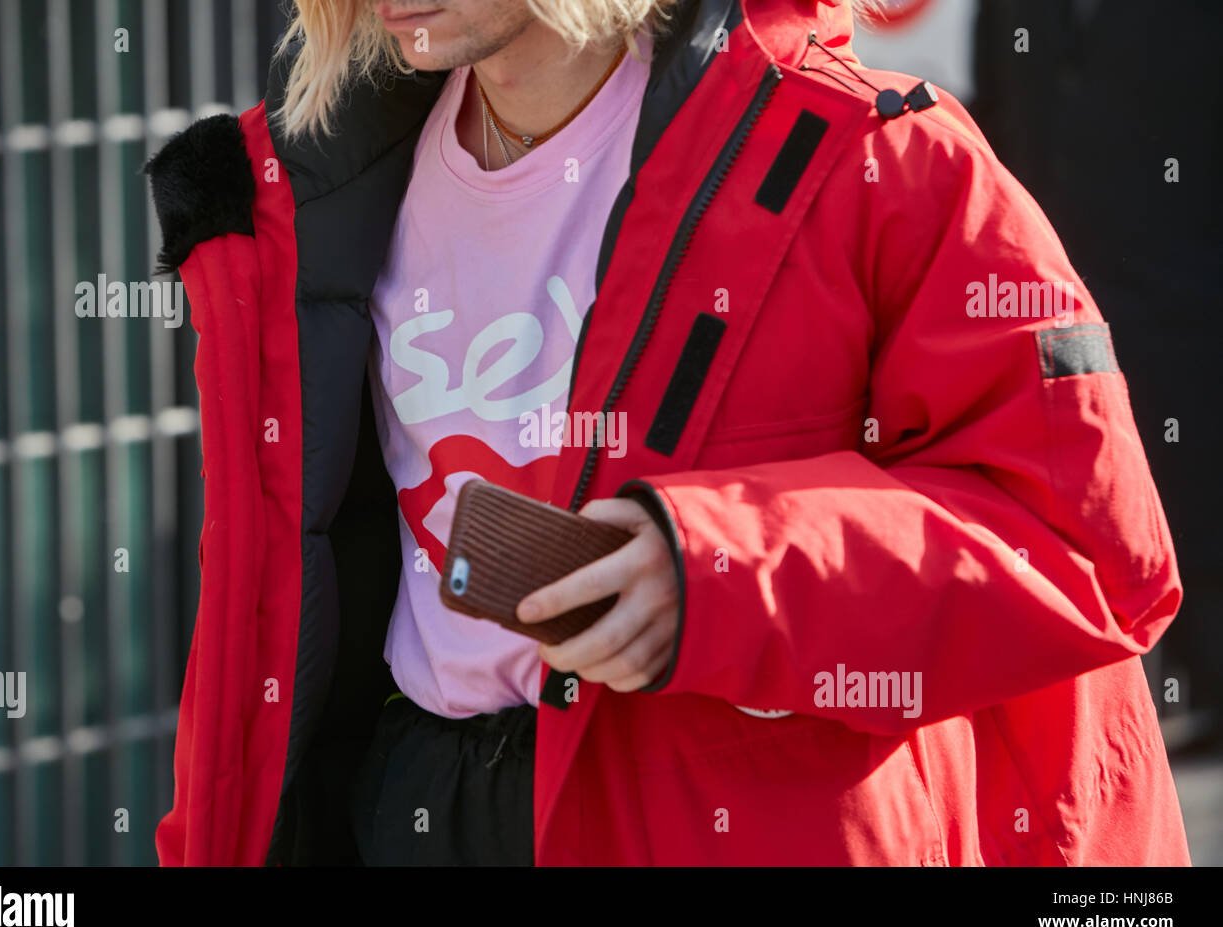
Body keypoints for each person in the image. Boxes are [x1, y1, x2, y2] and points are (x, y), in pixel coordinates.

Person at [144, 0, 1190, 865]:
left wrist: (715, 571)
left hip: (706, 818)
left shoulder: (872, 152)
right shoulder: (303, 197)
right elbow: (267, 620)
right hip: (416, 798)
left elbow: (1082, 543)